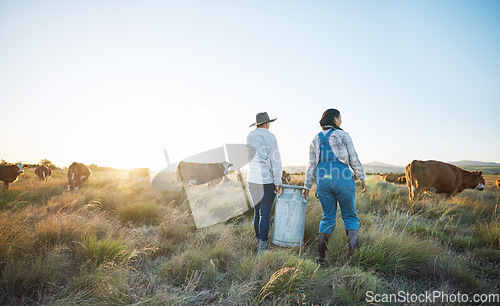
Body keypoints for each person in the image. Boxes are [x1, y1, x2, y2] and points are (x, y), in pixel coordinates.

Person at [303, 109, 367, 263]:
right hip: (342, 178)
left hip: (323, 180)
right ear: (335, 119)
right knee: (350, 217)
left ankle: (320, 259)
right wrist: (362, 177)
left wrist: (307, 186)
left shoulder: (315, 139)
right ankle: (352, 259)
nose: (341, 121)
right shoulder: (343, 135)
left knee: (327, 218)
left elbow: (311, 165)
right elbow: (354, 158)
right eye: (340, 118)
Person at [246, 112, 282, 255]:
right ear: (267, 123)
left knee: (257, 212)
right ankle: (263, 246)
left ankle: (258, 240)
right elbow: (276, 160)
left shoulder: (249, 136)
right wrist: (277, 181)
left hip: (252, 178)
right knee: (265, 213)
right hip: (266, 179)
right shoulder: (269, 136)